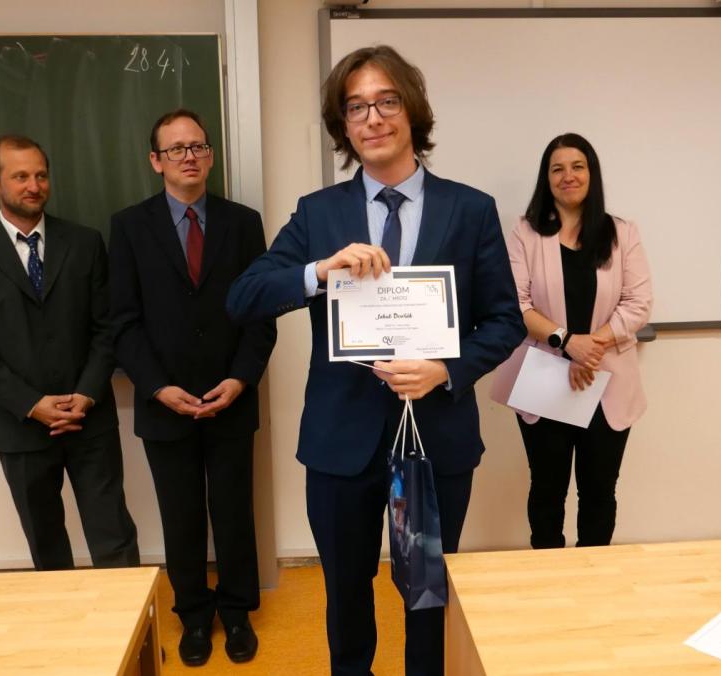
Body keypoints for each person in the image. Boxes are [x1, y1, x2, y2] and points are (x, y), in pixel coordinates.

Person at [226, 45, 524, 676]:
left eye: (386, 101)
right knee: (345, 591)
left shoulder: (469, 209)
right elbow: (244, 297)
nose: (373, 118)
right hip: (341, 440)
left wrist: (446, 370)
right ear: (343, 125)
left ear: (412, 110)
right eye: (356, 107)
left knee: (426, 591)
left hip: (435, 439)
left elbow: (505, 321)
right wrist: (317, 271)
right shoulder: (319, 213)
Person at [108, 110, 276, 667]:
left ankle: (237, 612)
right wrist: (158, 388)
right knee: (180, 517)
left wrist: (241, 378)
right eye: (176, 149)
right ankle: (195, 617)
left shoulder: (243, 223)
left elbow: (261, 315)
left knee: (234, 513)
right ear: (155, 161)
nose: (189, 156)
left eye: (198, 146)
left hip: (231, 397)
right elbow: (123, 321)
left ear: (210, 156)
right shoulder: (129, 227)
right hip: (165, 403)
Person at [0, 134, 140, 571]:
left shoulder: (85, 243)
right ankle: (66, 620)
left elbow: (106, 328)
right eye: (20, 177)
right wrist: (33, 405)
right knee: (47, 547)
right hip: (21, 426)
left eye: (41, 175)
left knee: (114, 538)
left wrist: (86, 395)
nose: (34, 186)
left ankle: (129, 619)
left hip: (89, 419)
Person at [490, 132, 653, 549]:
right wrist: (567, 342)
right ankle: (548, 573)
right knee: (547, 489)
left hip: (607, 379)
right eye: (557, 169)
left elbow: (638, 303)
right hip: (546, 376)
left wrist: (590, 346)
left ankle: (592, 576)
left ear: (591, 173)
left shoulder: (622, 233)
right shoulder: (525, 233)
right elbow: (516, 303)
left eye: (577, 166)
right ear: (546, 179)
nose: (568, 176)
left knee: (599, 491)